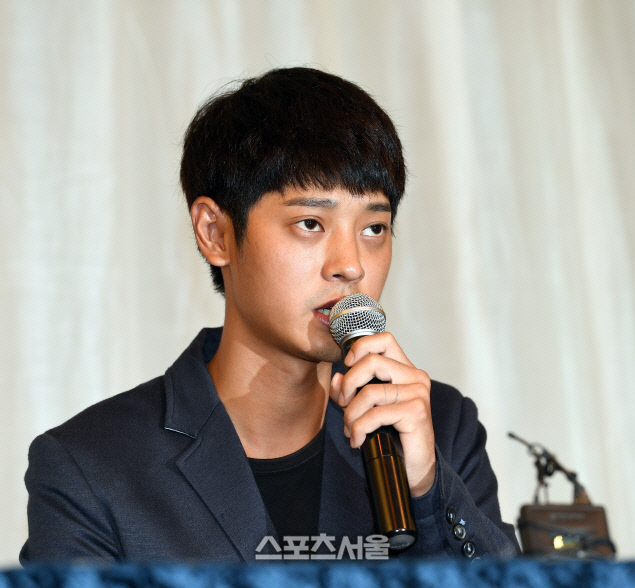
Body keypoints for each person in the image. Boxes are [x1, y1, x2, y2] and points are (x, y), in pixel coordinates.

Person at [20, 67, 519, 563]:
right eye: (310, 223)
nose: (350, 265)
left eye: (374, 228)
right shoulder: (91, 467)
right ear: (215, 233)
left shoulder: (440, 427)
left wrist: (426, 490)